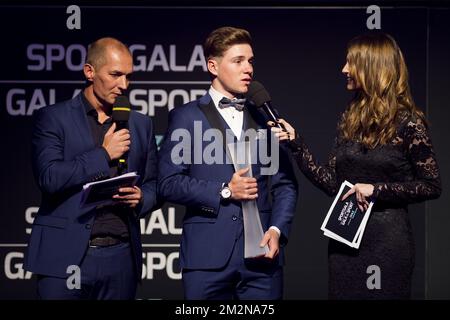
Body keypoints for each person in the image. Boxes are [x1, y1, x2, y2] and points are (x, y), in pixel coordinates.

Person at [270, 32, 441, 299]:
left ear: (371, 67)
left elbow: (432, 185)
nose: (344, 69)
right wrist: (297, 144)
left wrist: (376, 190)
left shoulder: (409, 123)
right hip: (344, 242)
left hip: (388, 245)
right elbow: (333, 184)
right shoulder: (350, 117)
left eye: (351, 62)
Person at [158, 26, 298, 299]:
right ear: (213, 66)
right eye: (238, 61)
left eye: (250, 61)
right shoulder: (186, 117)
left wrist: (276, 229)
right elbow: (167, 183)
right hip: (206, 261)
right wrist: (224, 190)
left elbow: (285, 185)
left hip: (262, 261)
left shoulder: (265, 117)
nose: (249, 69)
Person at [25, 37, 159, 299]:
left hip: (120, 258)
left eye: (128, 77)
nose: (123, 85)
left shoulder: (141, 124)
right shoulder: (53, 118)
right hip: (64, 258)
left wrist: (142, 197)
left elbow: (155, 183)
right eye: (115, 75)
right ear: (89, 72)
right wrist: (103, 154)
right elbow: (49, 178)